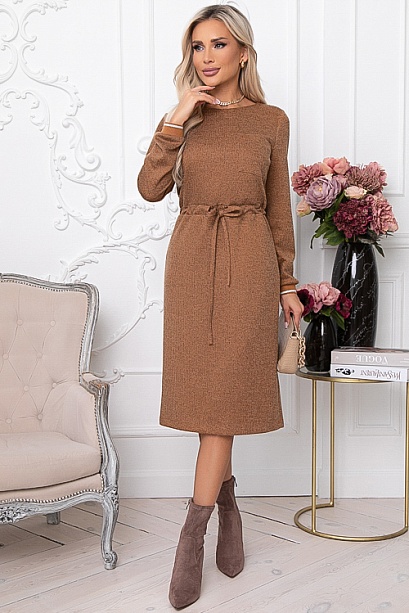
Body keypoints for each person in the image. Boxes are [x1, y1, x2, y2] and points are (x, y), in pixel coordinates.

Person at [137, 4, 303, 609]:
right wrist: (177, 118)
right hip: (191, 264)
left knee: (222, 406)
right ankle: (227, 507)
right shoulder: (184, 118)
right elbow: (150, 188)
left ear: (244, 53)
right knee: (210, 400)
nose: (206, 57)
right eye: (197, 46)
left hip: (250, 263)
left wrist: (287, 284)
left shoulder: (271, 120)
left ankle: (191, 538)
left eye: (218, 44)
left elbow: (279, 208)